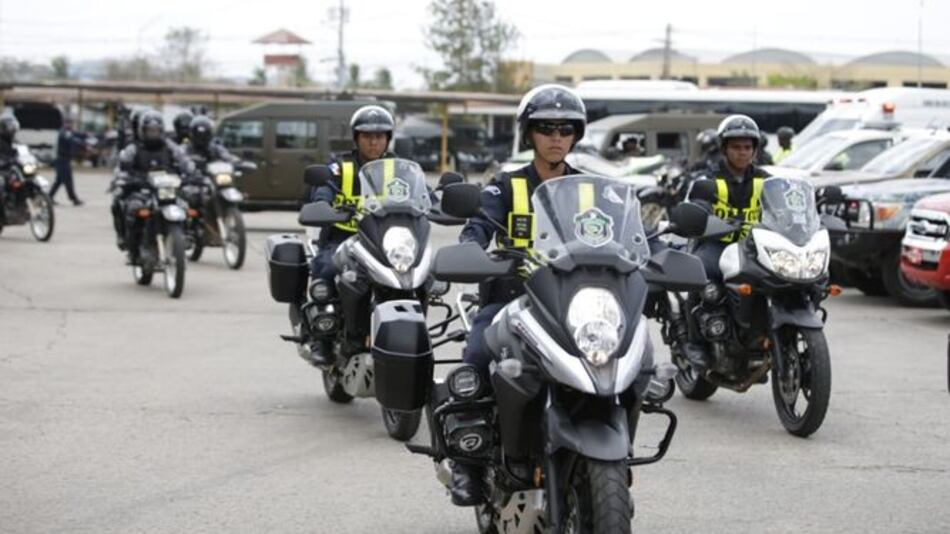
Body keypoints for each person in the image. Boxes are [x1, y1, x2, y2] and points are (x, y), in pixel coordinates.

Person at [450, 84, 586, 507]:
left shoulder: (587, 189)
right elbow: (478, 226)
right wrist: (471, 248)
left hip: (572, 303)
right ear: (529, 133)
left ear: (576, 135)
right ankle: (467, 462)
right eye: (546, 128)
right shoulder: (505, 186)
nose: (556, 137)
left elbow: (628, 231)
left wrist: (655, 253)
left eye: (566, 129)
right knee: (477, 355)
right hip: (511, 298)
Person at [306, 104, 396, 365]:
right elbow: (323, 190)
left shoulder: (397, 166)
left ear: (388, 139)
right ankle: (322, 337)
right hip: (343, 237)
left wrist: (436, 204)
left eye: (379, 136)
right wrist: (324, 205)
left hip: (386, 239)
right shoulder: (340, 167)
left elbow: (423, 193)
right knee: (325, 268)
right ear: (356, 138)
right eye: (367, 136)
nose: (373, 142)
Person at [680, 114, 770, 368]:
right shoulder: (708, 180)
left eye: (747, 147)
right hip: (716, 244)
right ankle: (695, 342)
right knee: (699, 274)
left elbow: (783, 206)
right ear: (724, 149)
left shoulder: (765, 179)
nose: (742, 153)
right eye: (736, 147)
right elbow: (697, 205)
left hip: (753, 246)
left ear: (754, 150)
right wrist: (702, 215)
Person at [111, 111, 194, 258]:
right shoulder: (133, 149)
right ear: (142, 131)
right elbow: (121, 167)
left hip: (166, 189)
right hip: (142, 189)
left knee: (187, 203)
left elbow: (185, 162)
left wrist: (190, 172)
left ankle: (186, 235)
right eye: (150, 131)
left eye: (156, 131)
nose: (153, 134)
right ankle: (131, 244)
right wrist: (124, 178)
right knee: (132, 208)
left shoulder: (170, 146)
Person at [50, 118, 85, 206]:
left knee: (59, 181)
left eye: (71, 123)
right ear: (65, 124)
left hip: (63, 160)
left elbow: (77, 134)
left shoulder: (68, 132)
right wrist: (83, 143)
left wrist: (86, 135)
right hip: (62, 160)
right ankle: (74, 199)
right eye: (69, 123)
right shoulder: (64, 132)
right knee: (68, 180)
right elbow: (72, 139)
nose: (71, 125)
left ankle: (49, 197)